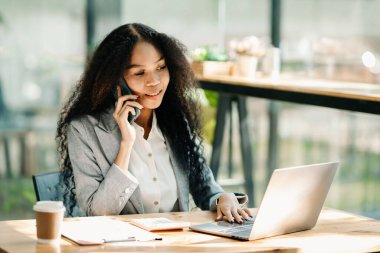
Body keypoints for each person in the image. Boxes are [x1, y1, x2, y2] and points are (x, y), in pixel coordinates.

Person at [56, 23, 252, 223]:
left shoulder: (174, 121)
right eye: (139, 73)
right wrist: (126, 145)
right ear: (115, 81)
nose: (154, 81)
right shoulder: (84, 130)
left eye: (160, 67)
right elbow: (97, 213)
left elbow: (205, 190)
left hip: (178, 243)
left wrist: (223, 198)